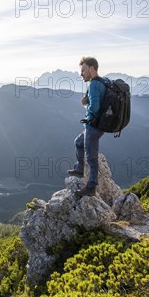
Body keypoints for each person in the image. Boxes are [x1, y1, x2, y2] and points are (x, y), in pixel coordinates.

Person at [67, 56, 106, 196]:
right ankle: (79, 168)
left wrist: (85, 103)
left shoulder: (94, 84)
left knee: (91, 157)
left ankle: (91, 187)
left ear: (91, 68)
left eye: (83, 70)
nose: (81, 73)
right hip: (97, 125)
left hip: (93, 126)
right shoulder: (103, 81)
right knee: (78, 142)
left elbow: (95, 107)